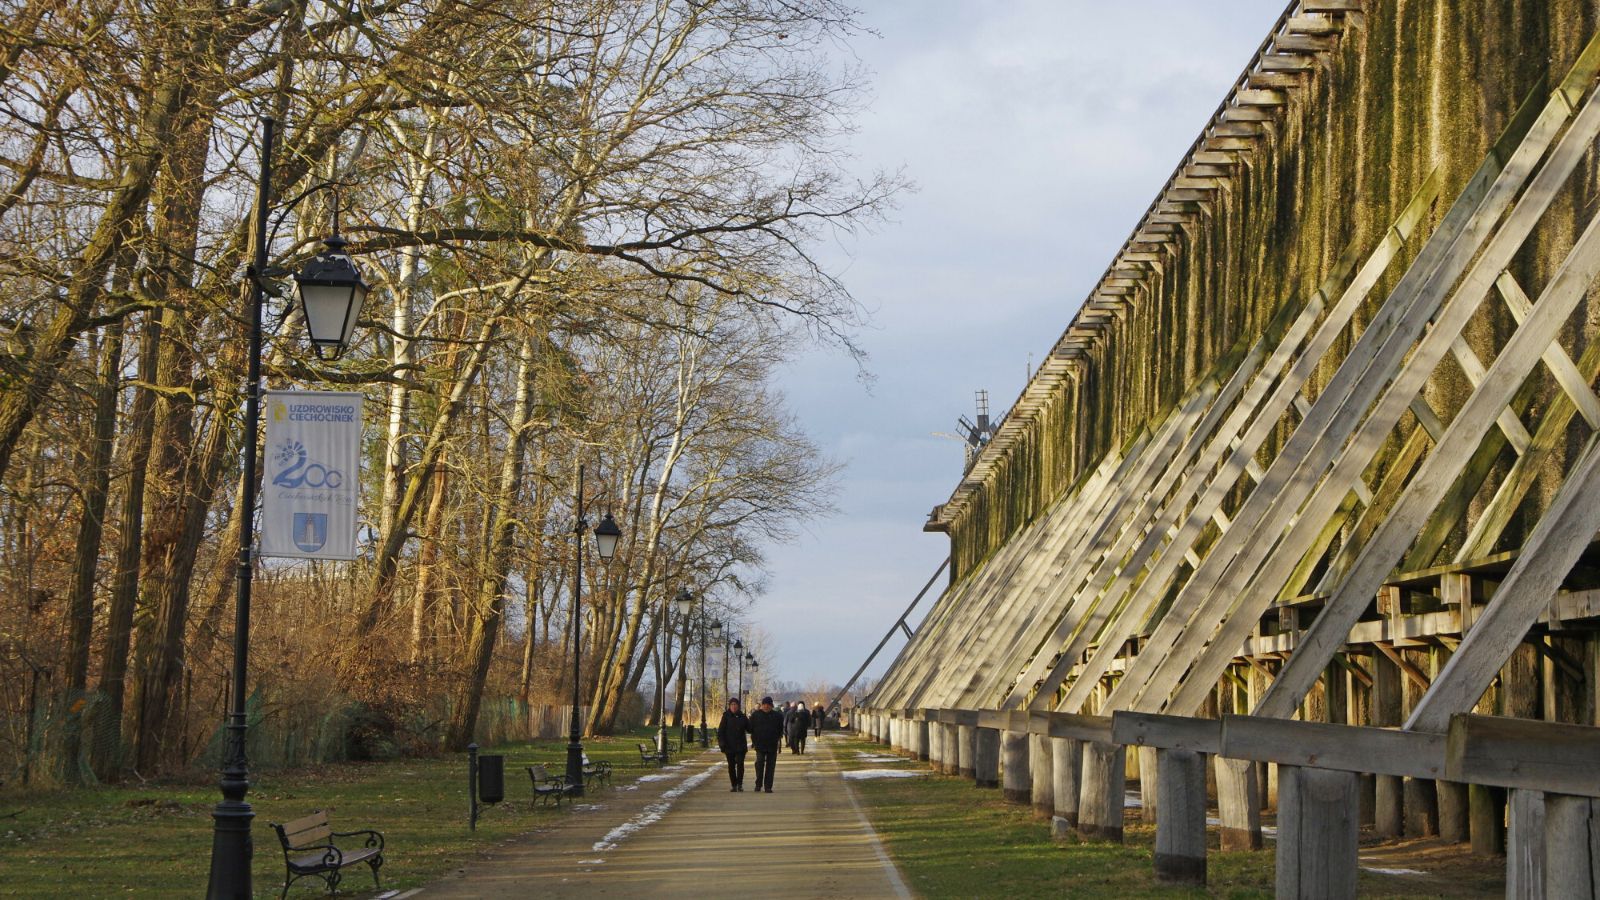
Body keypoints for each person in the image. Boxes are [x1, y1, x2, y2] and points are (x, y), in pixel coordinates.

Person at [747, 696, 784, 792]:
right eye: (764, 704)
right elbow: (750, 729)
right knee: (759, 764)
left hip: (772, 744)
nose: (766, 706)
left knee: (770, 766)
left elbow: (780, 729)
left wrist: (778, 738)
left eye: (768, 705)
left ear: (771, 706)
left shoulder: (777, 716)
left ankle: (768, 786)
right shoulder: (755, 715)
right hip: (759, 744)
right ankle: (758, 783)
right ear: (762, 705)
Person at [716, 698, 749, 791]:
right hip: (729, 745)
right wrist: (722, 743)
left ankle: (740, 784)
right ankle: (734, 784)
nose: (734, 706)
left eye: (735, 705)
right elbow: (721, 731)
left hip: (740, 745)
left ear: (738, 706)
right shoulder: (726, 716)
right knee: (731, 765)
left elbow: (750, 728)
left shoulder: (743, 716)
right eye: (732, 705)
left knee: (740, 764)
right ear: (729, 706)